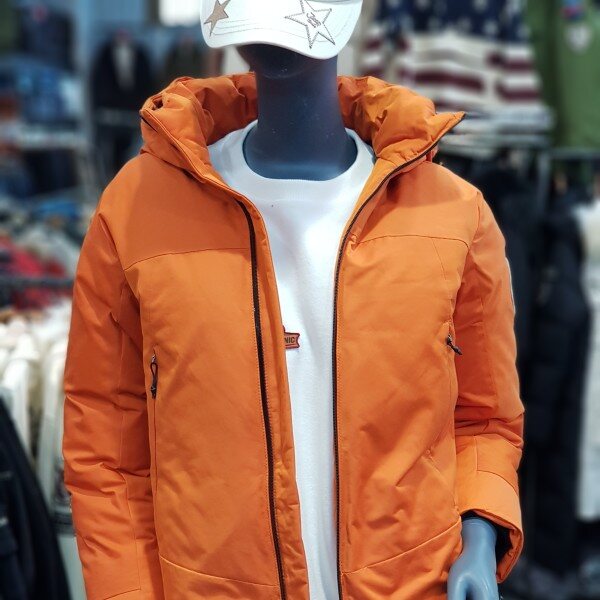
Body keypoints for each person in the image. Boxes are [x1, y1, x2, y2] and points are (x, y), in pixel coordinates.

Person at [62, 1, 525, 598]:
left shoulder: (453, 214)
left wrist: (479, 536)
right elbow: (105, 452)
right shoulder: (136, 210)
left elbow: (485, 419)